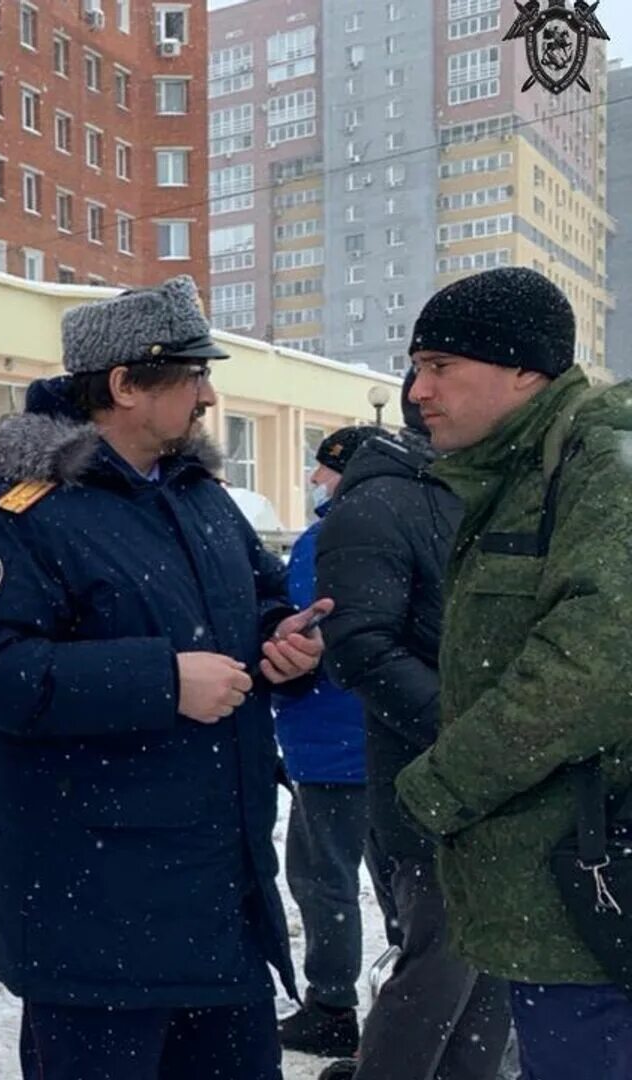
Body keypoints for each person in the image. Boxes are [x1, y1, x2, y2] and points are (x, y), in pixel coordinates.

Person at [0, 275, 330, 1080]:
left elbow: (252, 604)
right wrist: (161, 681)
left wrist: (280, 645)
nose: (210, 394)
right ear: (123, 385)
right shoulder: (21, 516)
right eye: (191, 373)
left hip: (219, 906)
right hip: (97, 921)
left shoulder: (201, 500)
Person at [391, 267, 632, 1080]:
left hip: (595, 901)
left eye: (439, 365)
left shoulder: (601, 466)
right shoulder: (524, 472)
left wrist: (446, 783)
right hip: (563, 894)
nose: (417, 389)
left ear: (524, 368)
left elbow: (596, 662)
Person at [315, 377, 509, 1080]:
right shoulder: (380, 503)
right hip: (431, 796)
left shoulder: (491, 490)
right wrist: (479, 737)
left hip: (502, 799)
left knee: (487, 991)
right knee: (437, 975)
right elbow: (362, 649)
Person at [275, 424, 400, 1060]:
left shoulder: (328, 541)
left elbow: (299, 631)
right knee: (402, 881)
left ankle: (330, 1005)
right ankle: (414, 995)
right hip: (389, 737)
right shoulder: (408, 524)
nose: (315, 480)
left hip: (331, 744)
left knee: (322, 878)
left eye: (324, 469)